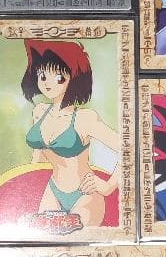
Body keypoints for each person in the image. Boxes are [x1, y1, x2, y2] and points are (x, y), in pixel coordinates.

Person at [20, 39, 120, 227]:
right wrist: (29, 182)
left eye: (58, 77)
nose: (48, 84)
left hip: (84, 194)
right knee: (45, 240)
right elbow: (38, 158)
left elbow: (131, 148)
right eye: (43, 76)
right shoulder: (39, 112)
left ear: (74, 77)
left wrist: (108, 186)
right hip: (52, 189)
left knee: (78, 241)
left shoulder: (85, 118)